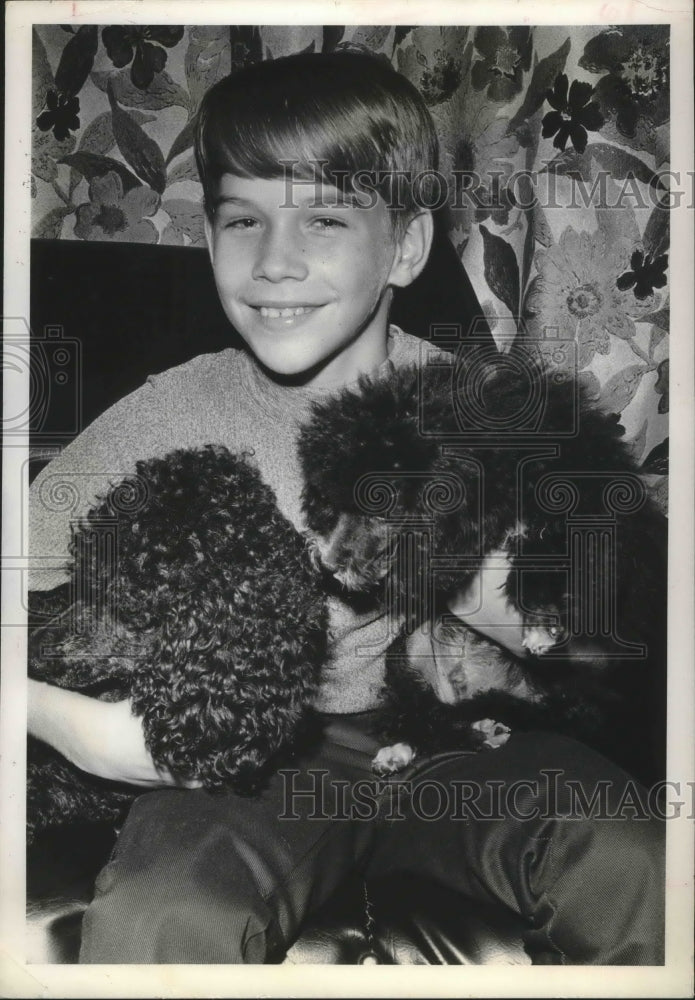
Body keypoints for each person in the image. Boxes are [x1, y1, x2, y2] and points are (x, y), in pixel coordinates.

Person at [28, 51, 664, 965]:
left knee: (631, 851)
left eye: (323, 218)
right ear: (208, 241)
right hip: (249, 772)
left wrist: (500, 597)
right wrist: (61, 721)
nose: (275, 263)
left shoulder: (489, 409)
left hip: (466, 745)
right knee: (167, 911)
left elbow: (608, 631)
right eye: (242, 220)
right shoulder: (163, 417)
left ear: (404, 247)